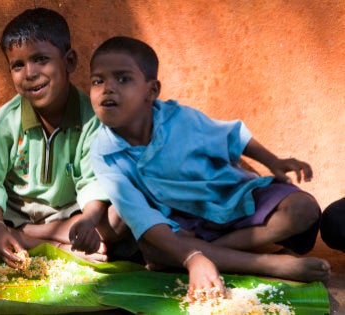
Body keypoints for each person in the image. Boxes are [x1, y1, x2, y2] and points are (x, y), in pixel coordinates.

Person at [87, 36, 330, 300]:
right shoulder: (103, 151)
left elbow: (233, 136)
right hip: (182, 220)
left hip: (232, 197)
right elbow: (141, 217)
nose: (107, 88)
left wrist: (273, 161)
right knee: (153, 246)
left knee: (302, 209)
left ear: (152, 91)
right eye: (98, 81)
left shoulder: (180, 119)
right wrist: (190, 256)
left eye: (122, 79)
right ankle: (274, 264)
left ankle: (206, 255)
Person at [0, 8, 129, 269]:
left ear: (69, 61)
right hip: (15, 215)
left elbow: (93, 183)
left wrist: (88, 221)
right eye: (18, 65)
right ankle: (54, 248)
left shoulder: (91, 118)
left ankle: (34, 236)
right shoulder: (7, 120)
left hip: (71, 215)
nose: (29, 73)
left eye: (40, 59)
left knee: (121, 216)